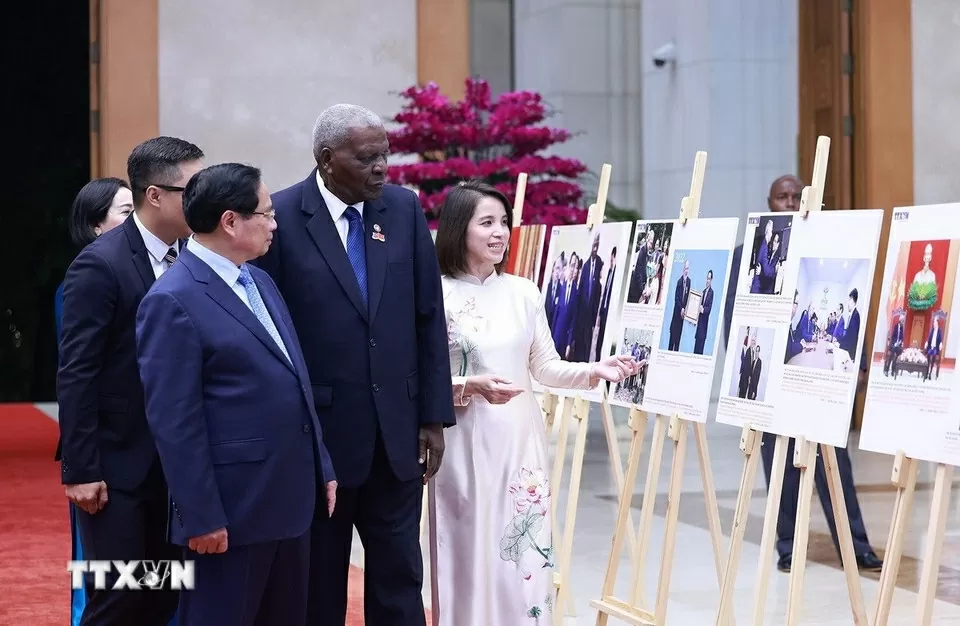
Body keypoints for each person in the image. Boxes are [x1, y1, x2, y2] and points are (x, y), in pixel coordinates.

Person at [254, 103, 456, 625]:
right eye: (367, 158)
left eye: (384, 155)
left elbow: (428, 316)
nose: (381, 167)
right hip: (320, 441)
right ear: (327, 159)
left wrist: (433, 416)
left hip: (398, 437)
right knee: (319, 584)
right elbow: (267, 335)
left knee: (399, 580)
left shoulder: (403, 209)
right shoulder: (280, 217)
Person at [135, 163, 336, 625]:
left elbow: (295, 378)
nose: (275, 223)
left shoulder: (259, 280)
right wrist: (201, 515)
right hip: (232, 511)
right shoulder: (173, 298)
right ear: (230, 221)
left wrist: (320, 465)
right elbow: (174, 423)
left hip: (289, 500)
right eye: (266, 213)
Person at [430, 181, 638, 624]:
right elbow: (418, 378)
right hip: (462, 445)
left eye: (503, 222)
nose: (500, 232)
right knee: (467, 555)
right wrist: (469, 385)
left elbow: (545, 367)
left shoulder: (523, 292)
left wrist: (593, 370)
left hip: (519, 445)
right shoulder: (434, 294)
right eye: (487, 222)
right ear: (458, 229)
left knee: (521, 561)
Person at [57, 136, 204, 624]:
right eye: (190, 189)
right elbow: (77, 370)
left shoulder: (196, 257)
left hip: (178, 464)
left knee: (165, 594)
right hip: (117, 466)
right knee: (120, 596)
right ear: (154, 195)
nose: (201, 199)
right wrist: (80, 469)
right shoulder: (101, 263)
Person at [723, 173, 882, 573]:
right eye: (783, 197)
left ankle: (855, 546)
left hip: (818, 385)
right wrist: (741, 375)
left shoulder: (823, 247)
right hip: (770, 381)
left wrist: (861, 363)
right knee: (780, 468)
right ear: (769, 202)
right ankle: (788, 547)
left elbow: (856, 317)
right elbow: (733, 318)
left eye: (797, 196)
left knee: (834, 465)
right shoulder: (748, 254)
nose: (791, 203)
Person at [54, 177, 133, 626]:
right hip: (104, 451)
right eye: (126, 212)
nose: (136, 220)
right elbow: (77, 372)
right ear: (95, 225)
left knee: (154, 579)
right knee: (108, 578)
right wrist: (82, 466)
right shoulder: (84, 279)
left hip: (145, 452)